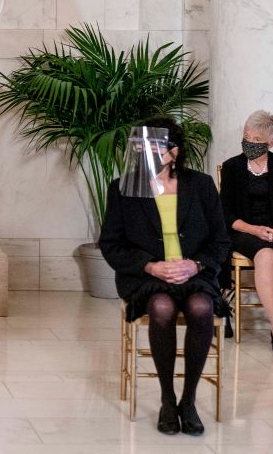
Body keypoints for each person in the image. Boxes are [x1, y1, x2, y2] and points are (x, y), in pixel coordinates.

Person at [100, 117, 229, 436]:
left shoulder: (200, 185)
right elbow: (111, 244)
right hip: (148, 276)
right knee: (161, 308)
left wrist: (196, 265)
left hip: (193, 273)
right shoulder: (123, 189)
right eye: (141, 146)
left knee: (201, 308)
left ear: (174, 152)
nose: (145, 152)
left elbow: (221, 240)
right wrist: (150, 266)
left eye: (154, 146)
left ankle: (189, 401)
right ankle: (168, 400)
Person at [219, 110, 273, 355]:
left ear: (271, 143)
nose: (250, 143)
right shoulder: (232, 167)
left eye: (257, 140)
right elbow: (226, 213)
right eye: (247, 137)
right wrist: (254, 230)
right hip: (245, 229)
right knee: (266, 255)